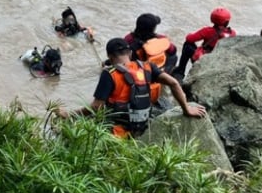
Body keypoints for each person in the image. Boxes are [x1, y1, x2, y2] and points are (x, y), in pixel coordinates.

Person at [56, 38, 206, 138]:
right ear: (130, 53)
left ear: (109, 56)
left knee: (65, 132)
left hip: (116, 131)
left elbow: (96, 107)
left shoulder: (109, 74)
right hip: (141, 127)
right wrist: (187, 109)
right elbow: (173, 83)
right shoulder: (147, 67)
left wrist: (69, 115)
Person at [174, 7, 237, 81]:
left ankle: (180, 72)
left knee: (187, 44)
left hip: (204, 59)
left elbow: (189, 39)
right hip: (219, 61)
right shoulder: (232, 33)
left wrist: (189, 34)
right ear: (226, 22)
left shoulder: (207, 31)